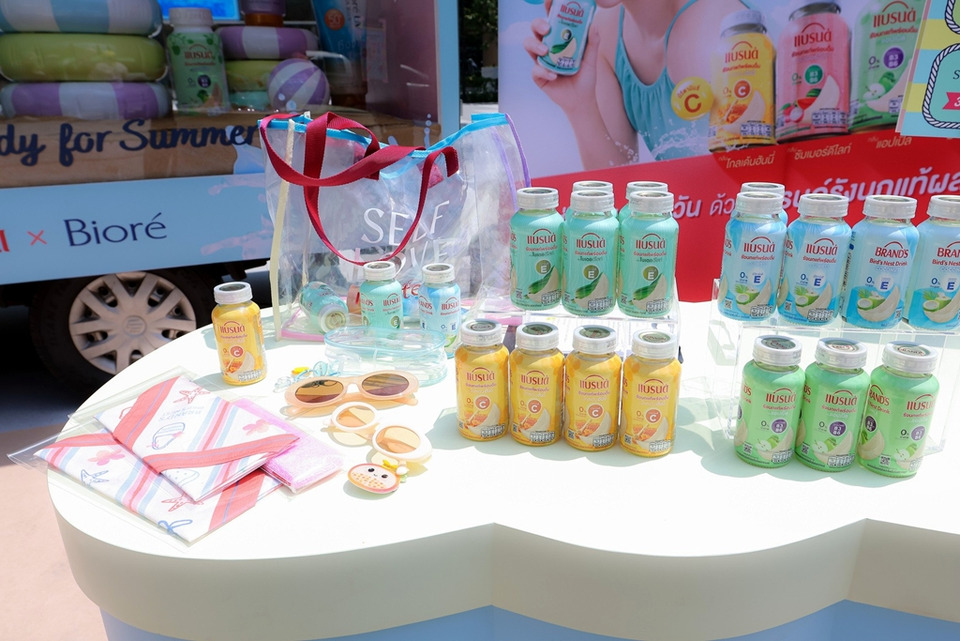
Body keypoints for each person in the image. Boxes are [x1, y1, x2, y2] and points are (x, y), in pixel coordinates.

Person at [525, 0, 752, 168]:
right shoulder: (604, 31)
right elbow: (614, 192)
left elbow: (739, 194)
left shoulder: (716, 28)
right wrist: (580, 106)